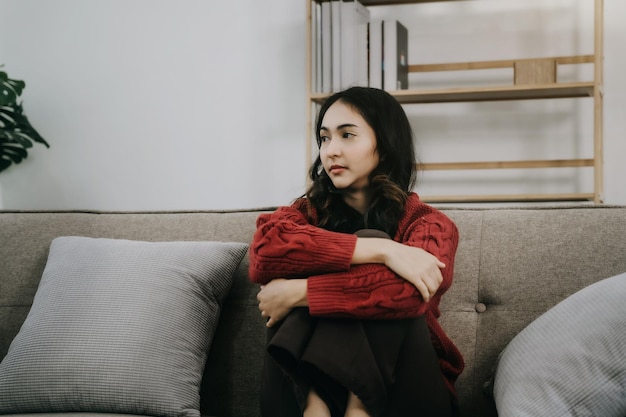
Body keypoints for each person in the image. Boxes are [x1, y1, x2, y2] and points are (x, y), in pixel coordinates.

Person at [249, 86, 464, 417]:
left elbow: (406, 294)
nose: (331, 150)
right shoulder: (303, 215)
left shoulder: (430, 225)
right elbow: (264, 253)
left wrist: (299, 291)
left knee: (370, 274)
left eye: (347, 135)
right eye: (324, 138)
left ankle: (349, 408)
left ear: (386, 144)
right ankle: (317, 403)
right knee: (364, 242)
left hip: (407, 392)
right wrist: (379, 249)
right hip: (295, 390)